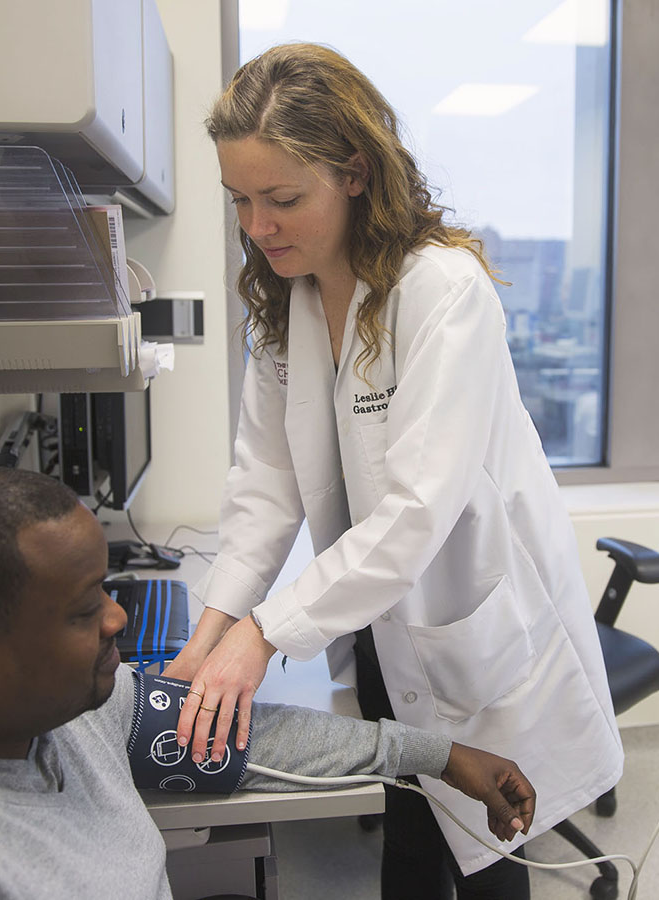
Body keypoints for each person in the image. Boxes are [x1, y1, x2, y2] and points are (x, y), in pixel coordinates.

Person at [164, 42, 623, 899]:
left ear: (355, 173)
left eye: (282, 199)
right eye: (241, 201)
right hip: (377, 624)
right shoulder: (288, 300)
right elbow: (264, 487)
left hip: (470, 625)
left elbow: (418, 513)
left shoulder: (442, 292)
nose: (257, 228)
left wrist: (262, 636)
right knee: (410, 825)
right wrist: (211, 634)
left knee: (491, 855)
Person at [0, 465, 536, 900]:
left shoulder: (60, 714)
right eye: (82, 609)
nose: (117, 622)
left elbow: (239, 733)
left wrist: (435, 755)